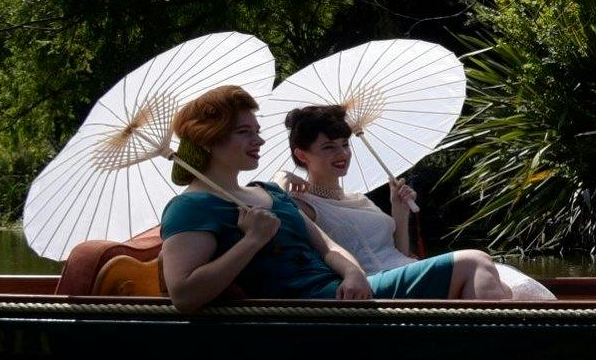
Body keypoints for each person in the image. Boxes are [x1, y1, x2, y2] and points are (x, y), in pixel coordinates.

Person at [155, 86, 527, 313]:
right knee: (473, 261)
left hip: (345, 294)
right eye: (243, 132)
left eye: (257, 130)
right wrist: (252, 241)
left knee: (483, 267)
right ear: (209, 140)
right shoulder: (193, 206)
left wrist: (351, 271)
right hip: (310, 309)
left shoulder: (265, 192)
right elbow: (184, 295)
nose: (260, 141)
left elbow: (329, 245)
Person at [279, 103, 554, 303]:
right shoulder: (302, 204)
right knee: (474, 259)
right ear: (302, 155)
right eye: (329, 147)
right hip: (372, 283)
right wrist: (281, 178)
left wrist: (399, 212)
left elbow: (398, 249)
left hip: (402, 272)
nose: (342, 154)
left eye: (344, 144)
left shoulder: (358, 198)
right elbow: (276, 212)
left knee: (503, 276)